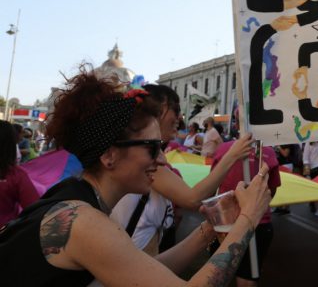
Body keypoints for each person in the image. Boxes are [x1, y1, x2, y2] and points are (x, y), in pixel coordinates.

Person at [0, 68, 272, 286]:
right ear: (109, 156)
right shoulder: (84, 222)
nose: (162, 158)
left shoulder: (78, 200)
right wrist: (248, 220)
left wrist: (209, 228)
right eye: (152, 147)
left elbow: (147, 273)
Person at [111, 84, 253, 254]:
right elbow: (192, 199)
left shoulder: (155, 160)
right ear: (159, 112)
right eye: (175, 109)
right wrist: (231, 156)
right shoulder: (146, 163)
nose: (180, 117)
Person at [211, 141, 281, 286]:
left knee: (215, 275)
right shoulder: (268, 152)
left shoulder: (223, 149)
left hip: (227, 222)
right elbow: (270, 191)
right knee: (246, 279)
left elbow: (212, 185)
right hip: (257, 223)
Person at [0, 120, 40, 225]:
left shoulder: (16, 175)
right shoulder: (16, 175)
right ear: (11, 142)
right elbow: (35, 211)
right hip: (5, 235)